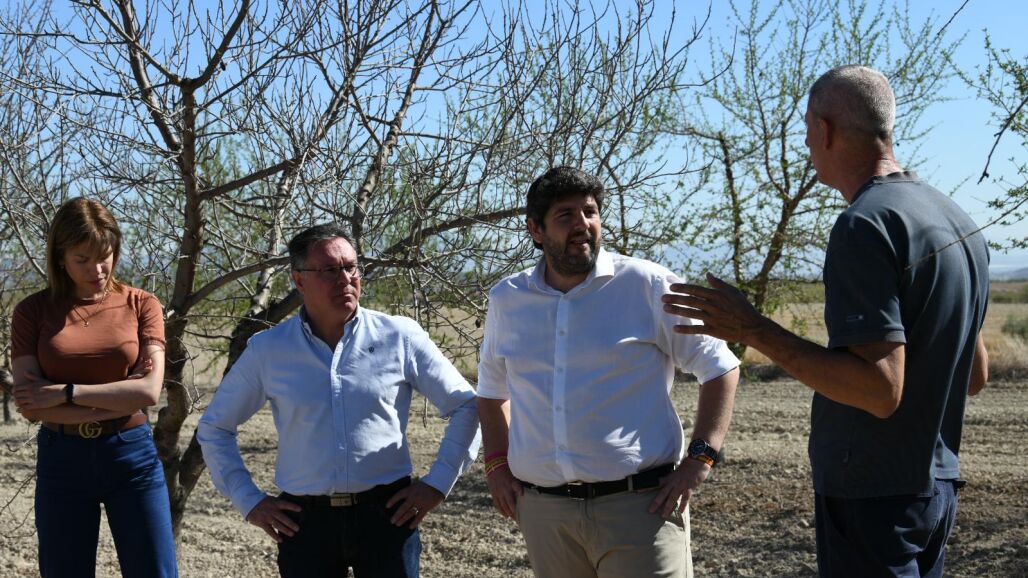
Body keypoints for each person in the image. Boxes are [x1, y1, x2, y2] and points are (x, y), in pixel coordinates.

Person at [662, 65, 990, 578]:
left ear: (824, 129)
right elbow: (974, 375)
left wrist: (753, 330)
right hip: (936, 490)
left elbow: (880, 390)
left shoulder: (866, 224)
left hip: (875, 497)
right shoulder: (955, 220)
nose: (807, 143)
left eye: (807, 129)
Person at [477, 166, 741, 578]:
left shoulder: (648, 285)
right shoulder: (507, 299)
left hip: (643, 510)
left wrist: (701, 459)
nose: (582, 224)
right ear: (535, 229)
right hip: (546, 516)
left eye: (590, 212)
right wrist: (496, 465)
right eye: (565, 215)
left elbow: (720, 367)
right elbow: (493, 393)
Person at [197, 224, 481, 578]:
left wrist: (438, 483)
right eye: (330, 270)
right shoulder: (268, 350)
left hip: (388, 517)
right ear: (299, 281)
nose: (345, 279)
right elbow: (215, 427)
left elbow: (467, 405)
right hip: (304, 524)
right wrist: (249, 500)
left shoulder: (399, 336)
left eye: (351, 267)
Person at [11, 197, 177, 577]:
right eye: (82, 259)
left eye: (105, 256)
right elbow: (31, 405)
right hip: (62, 459)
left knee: (155, 571)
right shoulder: (32, 312)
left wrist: (66, 393)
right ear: (60, 258)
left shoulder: (142, 304)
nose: (97, 269)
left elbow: (148, 393)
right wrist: (120, 396)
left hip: (131, 455)